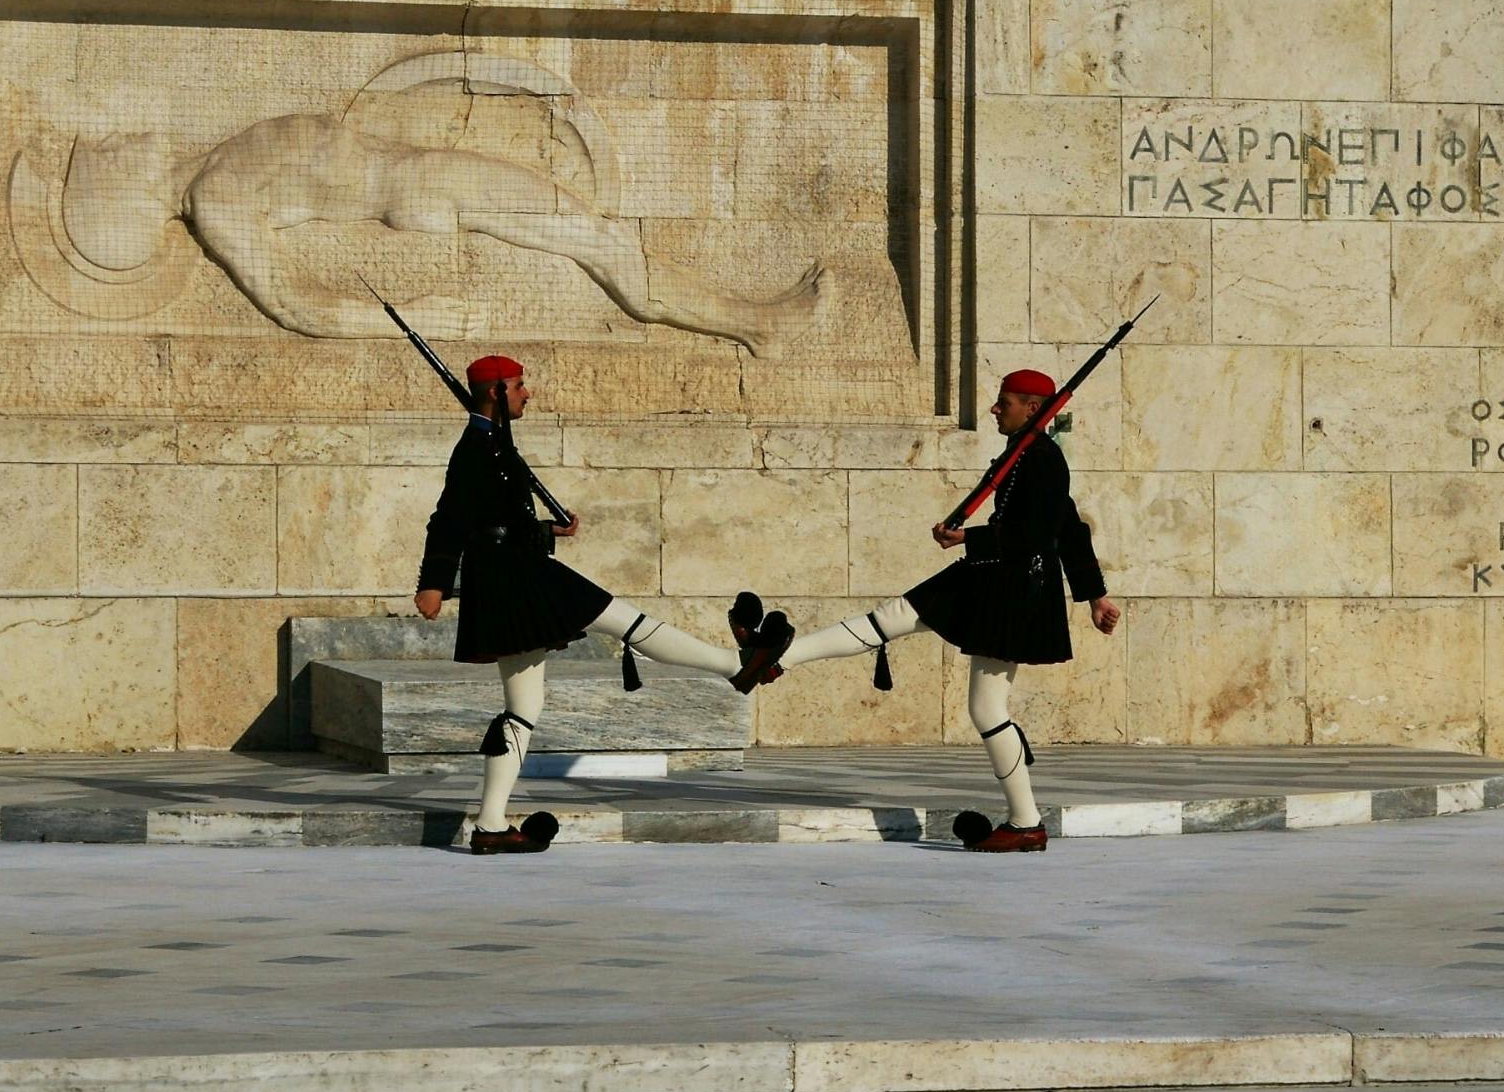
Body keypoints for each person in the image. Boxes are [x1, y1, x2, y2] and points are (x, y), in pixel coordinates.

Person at [415, 354, 793, 854]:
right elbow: (450, 518)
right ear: (496, 392)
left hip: (516, 573)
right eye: (520, 386)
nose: (529, 393)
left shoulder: (493, 442)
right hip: (517, 580)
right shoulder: (475, 448)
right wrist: (434, 582)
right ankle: (737, 666)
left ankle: (488, 826)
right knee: (625, 620)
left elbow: (495, 519)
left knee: (524, 709)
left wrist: (549, 529)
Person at [774, 368, 1121, 852]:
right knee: (900, 618)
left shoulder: (1042, 459)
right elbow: (1068, 527)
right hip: (992, 576)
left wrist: (968, 537)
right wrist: (1095, 596)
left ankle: (1026, 823)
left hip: (1012, 588)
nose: (995, 410)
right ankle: (779, 657)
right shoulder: (1026, 455)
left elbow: (1045, 534)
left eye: (1005, 402)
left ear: (1033, 408)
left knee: (984, 704)